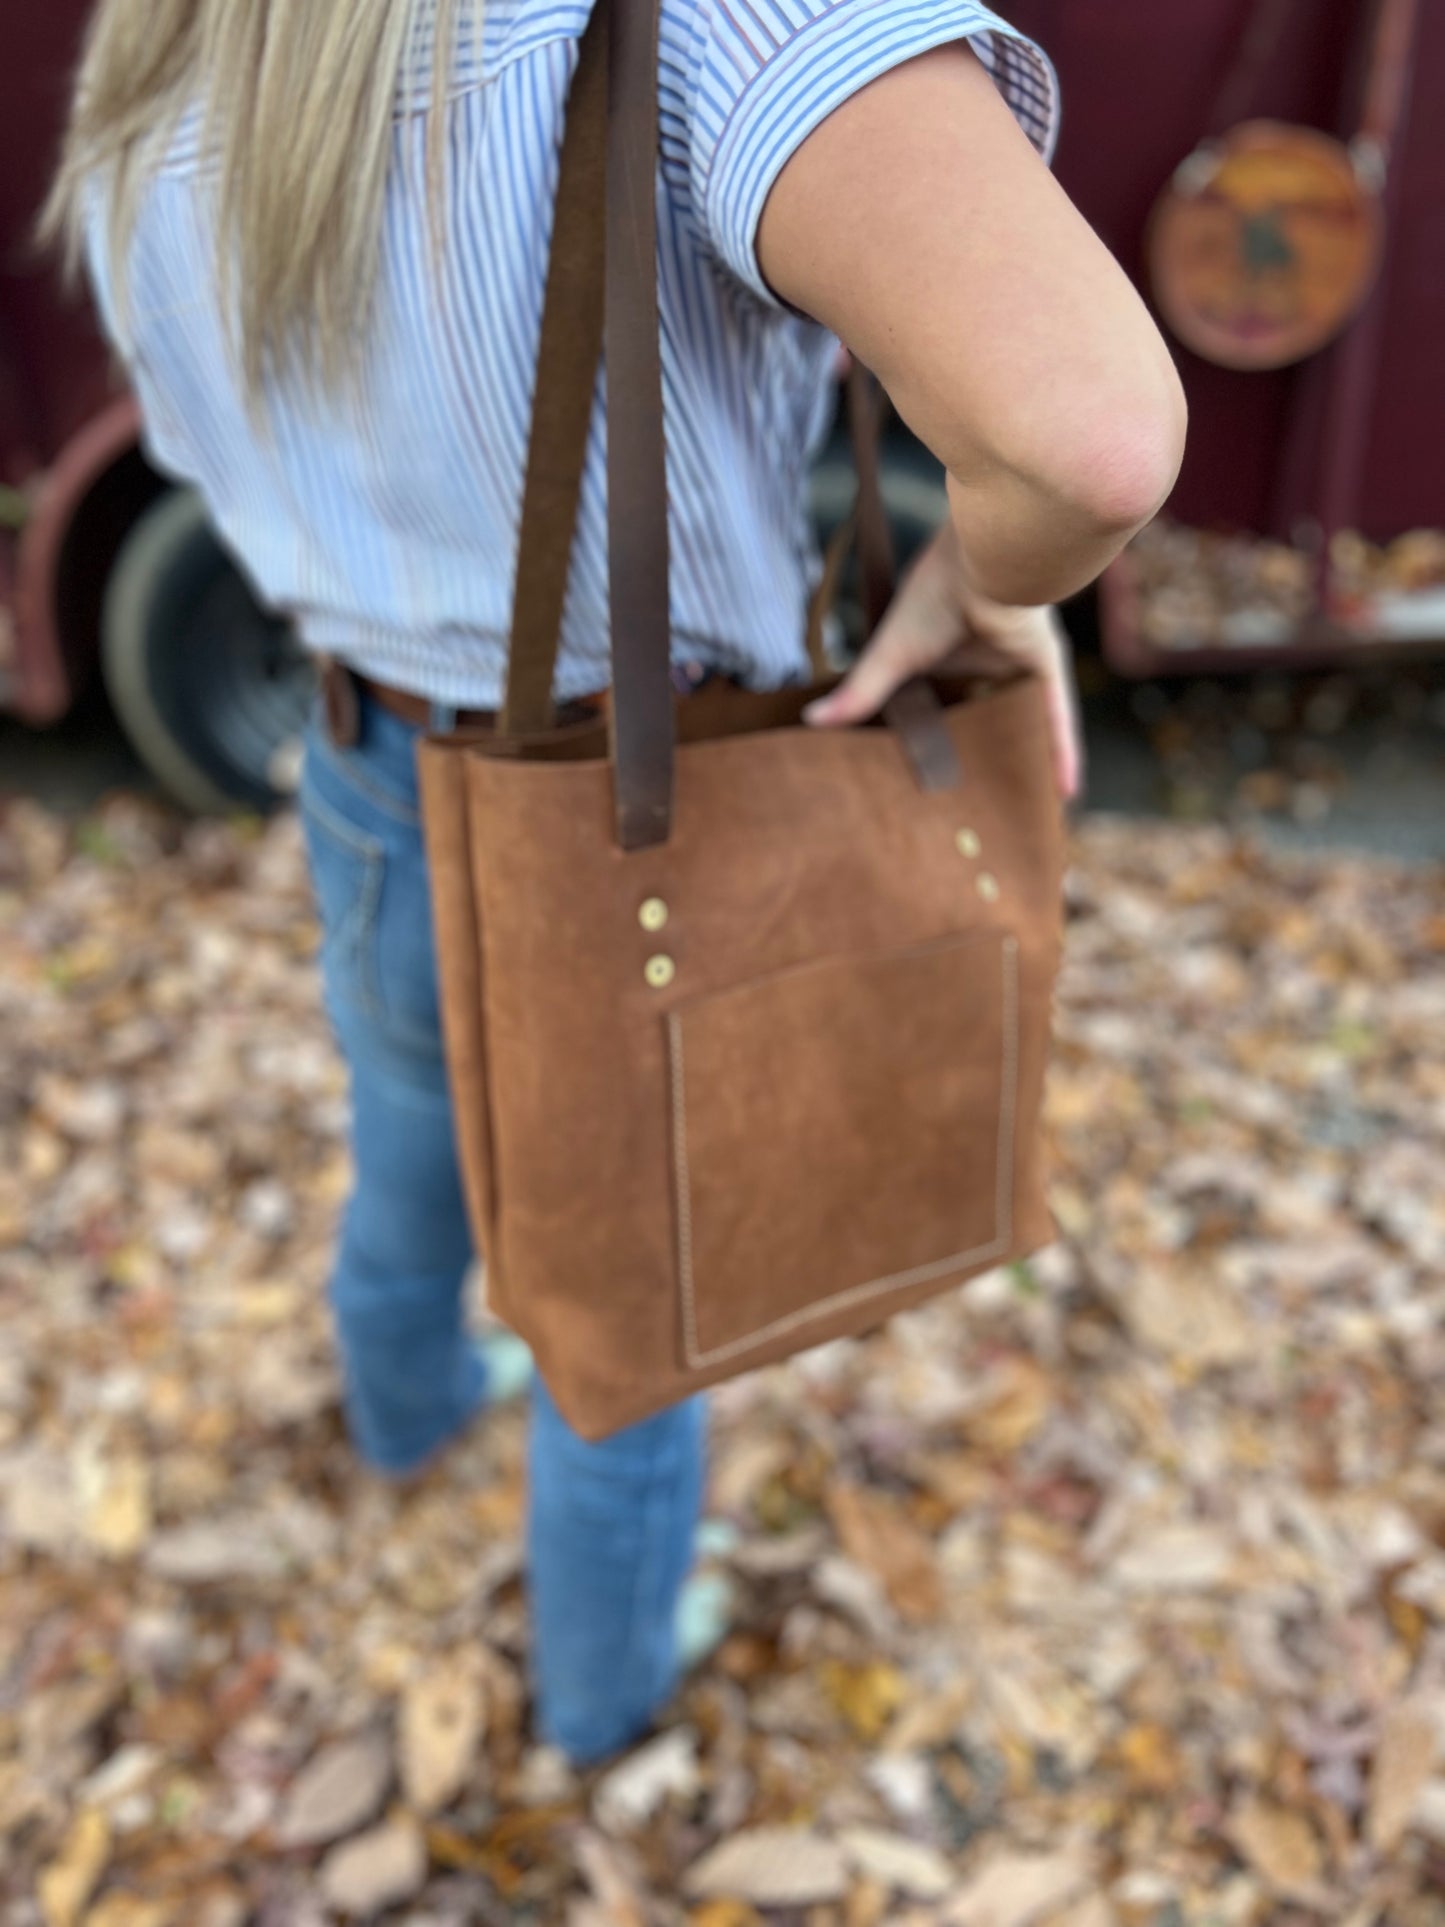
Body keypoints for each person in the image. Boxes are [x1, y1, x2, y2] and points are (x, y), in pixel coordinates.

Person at [49, 0, 1185, 1764]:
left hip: (365, 767)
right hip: (646, 807)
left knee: (412, 1148)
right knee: (646, 1319)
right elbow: (1080, 437)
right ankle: (602, 1708)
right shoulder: (698, 27)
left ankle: (405, 1424)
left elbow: (196, 454)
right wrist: (982, 582)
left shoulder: (172, 59)